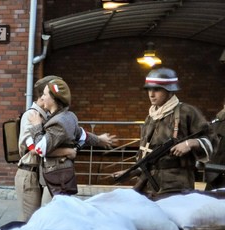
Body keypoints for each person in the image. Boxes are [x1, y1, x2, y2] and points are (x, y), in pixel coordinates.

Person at [16, 76, 116, 221]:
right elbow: (34, 148)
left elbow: (79, 133)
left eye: (46, 94)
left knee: (43, 219)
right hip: (29, 173)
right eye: (43, 94)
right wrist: (67, 151)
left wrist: (99, 140)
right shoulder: (31, 115)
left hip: (45, 174)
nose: (44, 97)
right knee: (30, 221)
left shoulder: (52, 116)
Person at [114, 68, 216, 196]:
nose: (151, 94)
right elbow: (148, 154)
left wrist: (191, 143)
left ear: (169, 91)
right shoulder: (151, 117)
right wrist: (132, 171)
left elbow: (212, 139)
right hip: (148, 184)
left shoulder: (187, 112)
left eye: (157, 89)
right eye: (149, 90)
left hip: (176, 183)